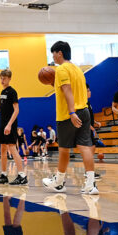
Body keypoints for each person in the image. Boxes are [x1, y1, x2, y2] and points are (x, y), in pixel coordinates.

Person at [42, 41, 97, 195]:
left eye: (53, 53)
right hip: (84, 110)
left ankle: (59, 182)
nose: (53, 57)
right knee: (85, 146)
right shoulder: (77, 69)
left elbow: (67, 91)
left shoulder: (61, 69)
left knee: (64, 149)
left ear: (60, 53)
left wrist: (72, 112)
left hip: (68, 114)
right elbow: (71, 89)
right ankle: (91, 185)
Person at [0, 69, 26, 186]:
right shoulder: (2, 92)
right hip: (3, 123)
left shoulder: (12, 92)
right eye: (1, 78)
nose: (2, 80)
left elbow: (16, 110)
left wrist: (9, 125)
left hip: (10, 124)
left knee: (12, 148)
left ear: (9, 79)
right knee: (3, 149)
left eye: (4, 78)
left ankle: (22, 176)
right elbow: (4, 109)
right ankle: (4, 175)